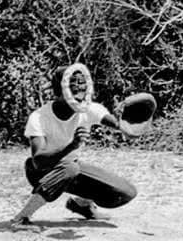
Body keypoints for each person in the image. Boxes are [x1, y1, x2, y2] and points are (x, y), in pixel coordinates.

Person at [9, 65, 137, 226]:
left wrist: (124, 125)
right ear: (59, 90)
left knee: (126, 192)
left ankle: (81, 205)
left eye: (81, 86)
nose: (79, 92)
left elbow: (113, 122)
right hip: (40, 172)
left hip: (71, 169)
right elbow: (38, 161)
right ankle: (22, 217)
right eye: (73, 87)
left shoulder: (88, 109)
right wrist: (71, 146)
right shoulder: (39, 117)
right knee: (71, 168)